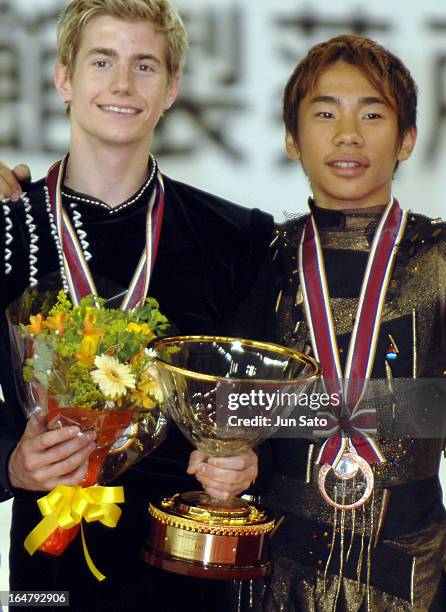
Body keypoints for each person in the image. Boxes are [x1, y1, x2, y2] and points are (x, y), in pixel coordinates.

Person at [0, 1, 274, 610]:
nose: (123, 84)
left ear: (172, 88)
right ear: (63, 77)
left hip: (188, 564)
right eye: (102, 61)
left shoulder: (235, 237)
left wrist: (245, 461)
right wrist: (12, 463)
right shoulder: (8, 227)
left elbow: (267, 406)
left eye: (145, 66)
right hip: (49, 565)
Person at [232, 35, 446, 611]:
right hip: (276, 575)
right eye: (324, 113)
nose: (348, 135)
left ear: (406, 138)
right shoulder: (262, 255)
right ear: (292, 139)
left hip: (411, 576)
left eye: (372, 113)